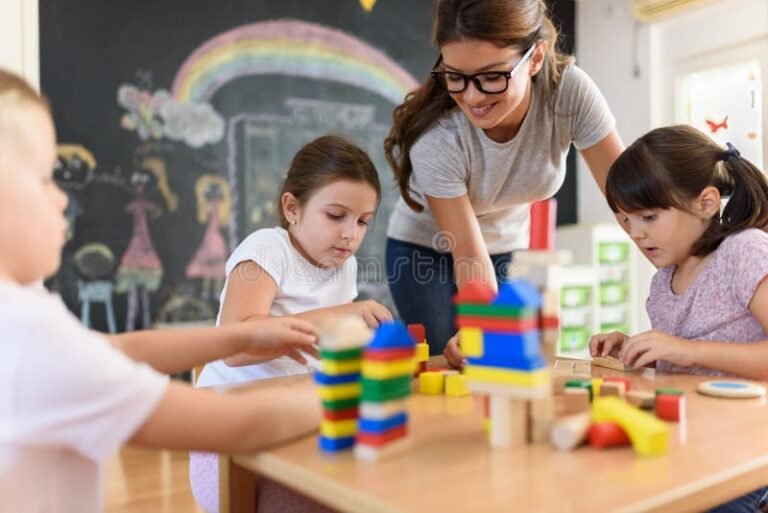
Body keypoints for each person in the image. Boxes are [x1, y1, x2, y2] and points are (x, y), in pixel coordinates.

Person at [0, 68, 323, 513]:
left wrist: (239, 336)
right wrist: (351, 388)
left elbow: (113, 349)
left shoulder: (19, 315)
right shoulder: (28, 334)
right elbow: (236, 427)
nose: (62, 199)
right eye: (43, 178)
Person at [383, 0, 623, 366]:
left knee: (506, 360)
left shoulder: (568, 94)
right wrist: (482, 322)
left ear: (537, 58)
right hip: (424, 249)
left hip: (507, 244)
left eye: (492, 76)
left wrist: (688, 277)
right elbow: (467, 250)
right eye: (455, 76)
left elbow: (631, 200)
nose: (472, 96)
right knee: (453, 361)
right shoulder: (438, 138)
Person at [191, 134, 392, 512]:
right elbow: (234, 348)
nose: (351, 234)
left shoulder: (343, 266)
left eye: (363, 221)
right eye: (336, 216)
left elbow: (334, 346)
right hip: (228, 444)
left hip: (293, 422)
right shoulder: (267, 249)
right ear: (292, 207)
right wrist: (339, 316)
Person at [589, 125, 768, 512]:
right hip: (690, 443)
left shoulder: (745, 251)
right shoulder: (662, 284)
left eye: (648, 217)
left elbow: (693, 353)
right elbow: (679, 363)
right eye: (625, 221)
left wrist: (687, 351)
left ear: (705, 203)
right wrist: (636, 349)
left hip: (747, 454)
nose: (635, 233)